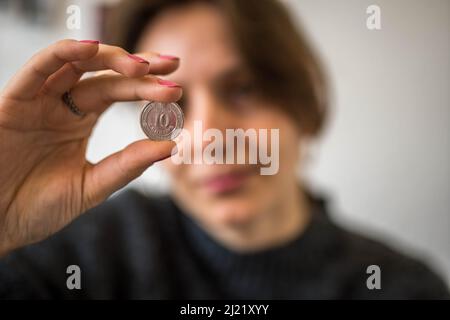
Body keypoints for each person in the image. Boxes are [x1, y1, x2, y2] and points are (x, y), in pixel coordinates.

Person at [0, 0, 448, 299]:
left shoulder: (404, 287)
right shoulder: (86, 252)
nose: (206, 136)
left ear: (302, 102)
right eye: (174, 104)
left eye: (243, 89)